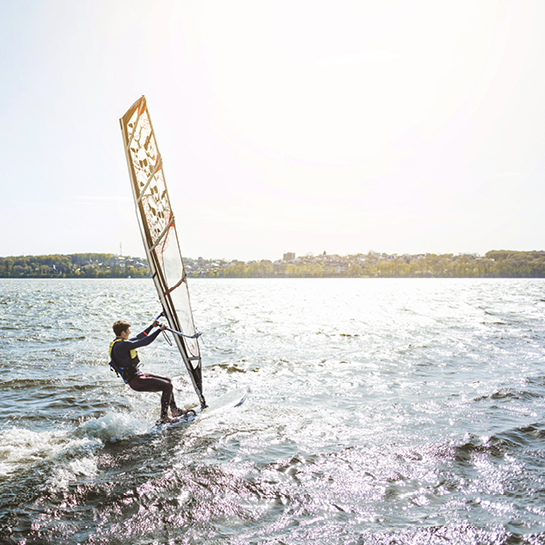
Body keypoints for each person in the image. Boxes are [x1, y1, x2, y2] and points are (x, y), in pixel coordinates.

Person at [109, 319, 186, 423]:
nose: (130, 332)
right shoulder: (122, 345)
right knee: (167, 386)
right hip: (136, 381)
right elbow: (145, 341)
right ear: (123, 333)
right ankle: (164, 417)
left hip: (138, 376)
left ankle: (174, 410)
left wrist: (152, 326)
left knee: (168, 381)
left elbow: (139, 337)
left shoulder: (120, 343)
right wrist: (159, 330)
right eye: (128, 330)